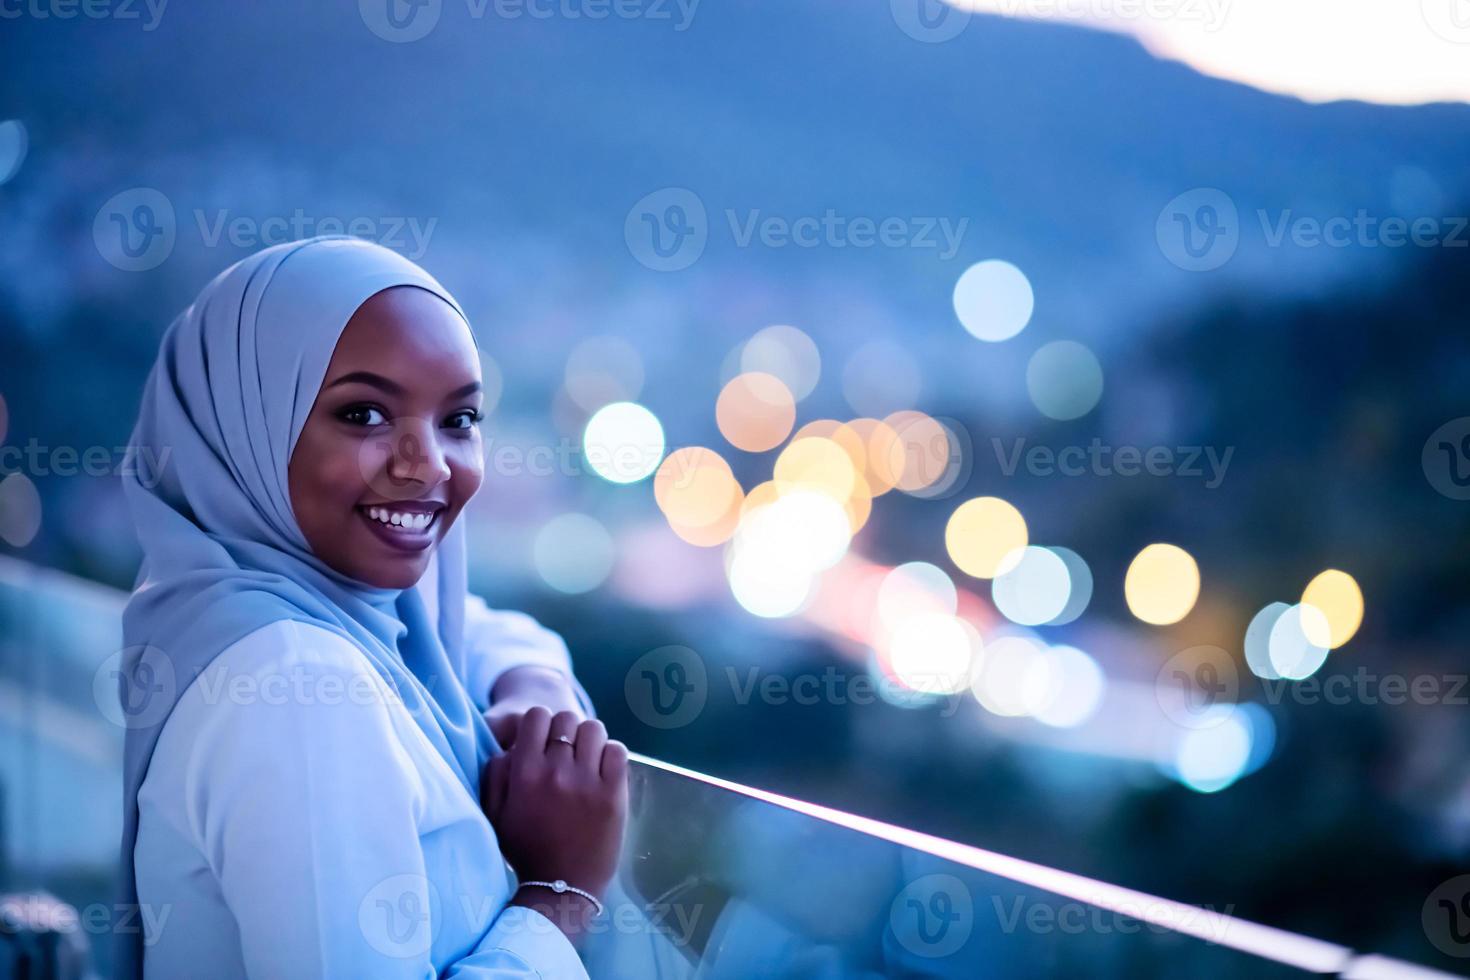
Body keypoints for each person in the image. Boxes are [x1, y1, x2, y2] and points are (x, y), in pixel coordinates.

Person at [116, 237, 627, 979]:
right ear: (245, 430)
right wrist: (563, 895)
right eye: (363, 415)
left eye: (459, 420)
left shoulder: (265, 603)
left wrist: (536, 690)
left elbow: (478, 627)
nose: (427, 465)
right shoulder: (297, 683)